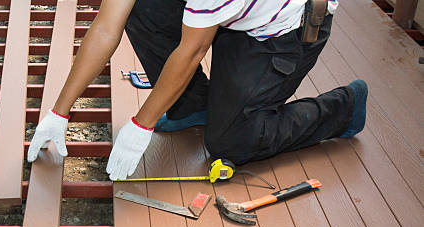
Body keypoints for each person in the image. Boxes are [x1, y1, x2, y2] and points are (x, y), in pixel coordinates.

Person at [27, 0, 368, 181]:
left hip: (281, 33)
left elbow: (192, 51)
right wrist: (59, 112)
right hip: (232, 17)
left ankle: (345, 107)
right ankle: (192, 107)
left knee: (229, 142)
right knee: (142, 9)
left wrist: (140, 124)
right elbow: (105, 28)